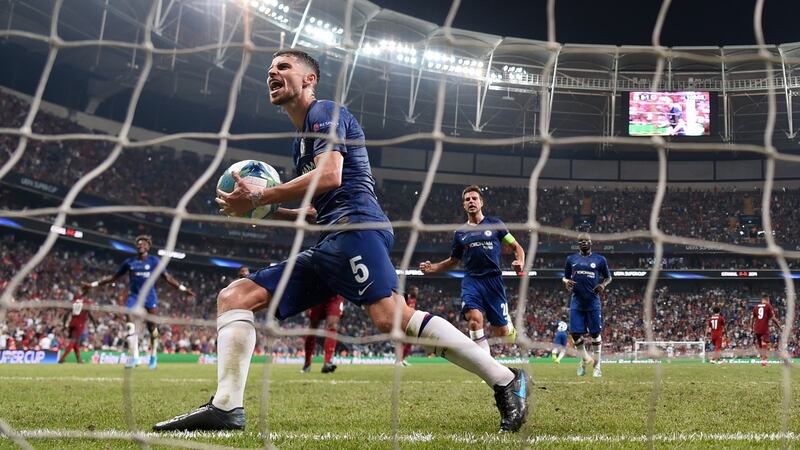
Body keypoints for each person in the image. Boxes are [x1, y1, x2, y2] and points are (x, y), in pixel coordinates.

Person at [153, 50, 527, 433]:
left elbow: (331, 175)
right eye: (270, 69)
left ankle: (506, 380)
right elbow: (315, 211)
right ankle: (226, 407)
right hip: (331, 238)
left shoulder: (325, 112)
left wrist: (261, 196)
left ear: (309, 79)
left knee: (391, 318)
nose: (272, 73)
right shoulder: (301, 143)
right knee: (235, 296)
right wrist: (265, 211)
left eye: (283, 66)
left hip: (357, 227)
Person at [419, 186, 525, 354]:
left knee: (503, 334)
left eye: (474, 198)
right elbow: (453, 261)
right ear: (464, 205)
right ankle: (485, 362)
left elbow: (516, 246)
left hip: (494, 282)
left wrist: (520, 261)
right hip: (472, 281)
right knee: (474, 320)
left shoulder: (495, 224)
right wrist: (433, 267)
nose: (471, 201)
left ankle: (508, 327)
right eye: (467, 199)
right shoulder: (460, 233)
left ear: (481, 202)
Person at [82, 235, 195, 369]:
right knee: (130, 324)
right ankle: (135, 358)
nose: (141, 245)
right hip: (134, 297)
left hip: (150, 298)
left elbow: (167, 278)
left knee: (152, 329)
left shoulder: (154, 261)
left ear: (148, 247)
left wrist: (183, 289)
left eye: (144, 243)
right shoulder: (129, 262)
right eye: (139, 244)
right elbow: (113, 278)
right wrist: (93, 284)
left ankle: (153, 356)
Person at [563, 232, 611, 378]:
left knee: (595, 334)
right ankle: (584, 359)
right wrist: (566, 282)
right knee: (575, 333)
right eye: (581, 241)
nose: (584, 242)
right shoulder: (571, 259)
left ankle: (597, 367)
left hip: (593, 302)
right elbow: (565, 277)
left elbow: (608, 277)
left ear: (591, 242)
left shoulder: (600, 259)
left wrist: (603, 285)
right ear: (578, 244)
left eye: (586, 240)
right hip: (577, 301)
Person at [302, 294, 343, 374]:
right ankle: (307, 363)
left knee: (332, 326)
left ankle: (327, 362)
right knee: (313, 328)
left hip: (335, 295)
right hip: (317, 294)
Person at [58, 289, 96, 364]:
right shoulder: (86, 302)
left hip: (72, 323)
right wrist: (94, 323)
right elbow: (89, 314)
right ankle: (63, 358)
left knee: (76, 342)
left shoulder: (74, 301)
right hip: (80, 324)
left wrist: (64, 324)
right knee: (74, 341)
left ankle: (79, 360)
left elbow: (66, 314)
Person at [750, 294, 782, 366]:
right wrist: (779, 327)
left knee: (760, 345)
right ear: (767, 299)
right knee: (765, 343)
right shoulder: (768, 306)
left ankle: (763, 358)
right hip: (764, 328)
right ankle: (764, 361)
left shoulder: (756, 306)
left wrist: (751, 328)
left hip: (756, 328)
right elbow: (773, 318)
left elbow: (752, 318)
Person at [400, 286, 419, 366]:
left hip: (411, 321)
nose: (417, 292)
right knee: (405, 342)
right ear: (412, 291)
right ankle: (399, 360)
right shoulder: (407, 298)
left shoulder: (414, 300)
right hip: (404, 322)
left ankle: (402, 359)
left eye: (417, 291)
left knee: (409, 342)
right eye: (416, 290)